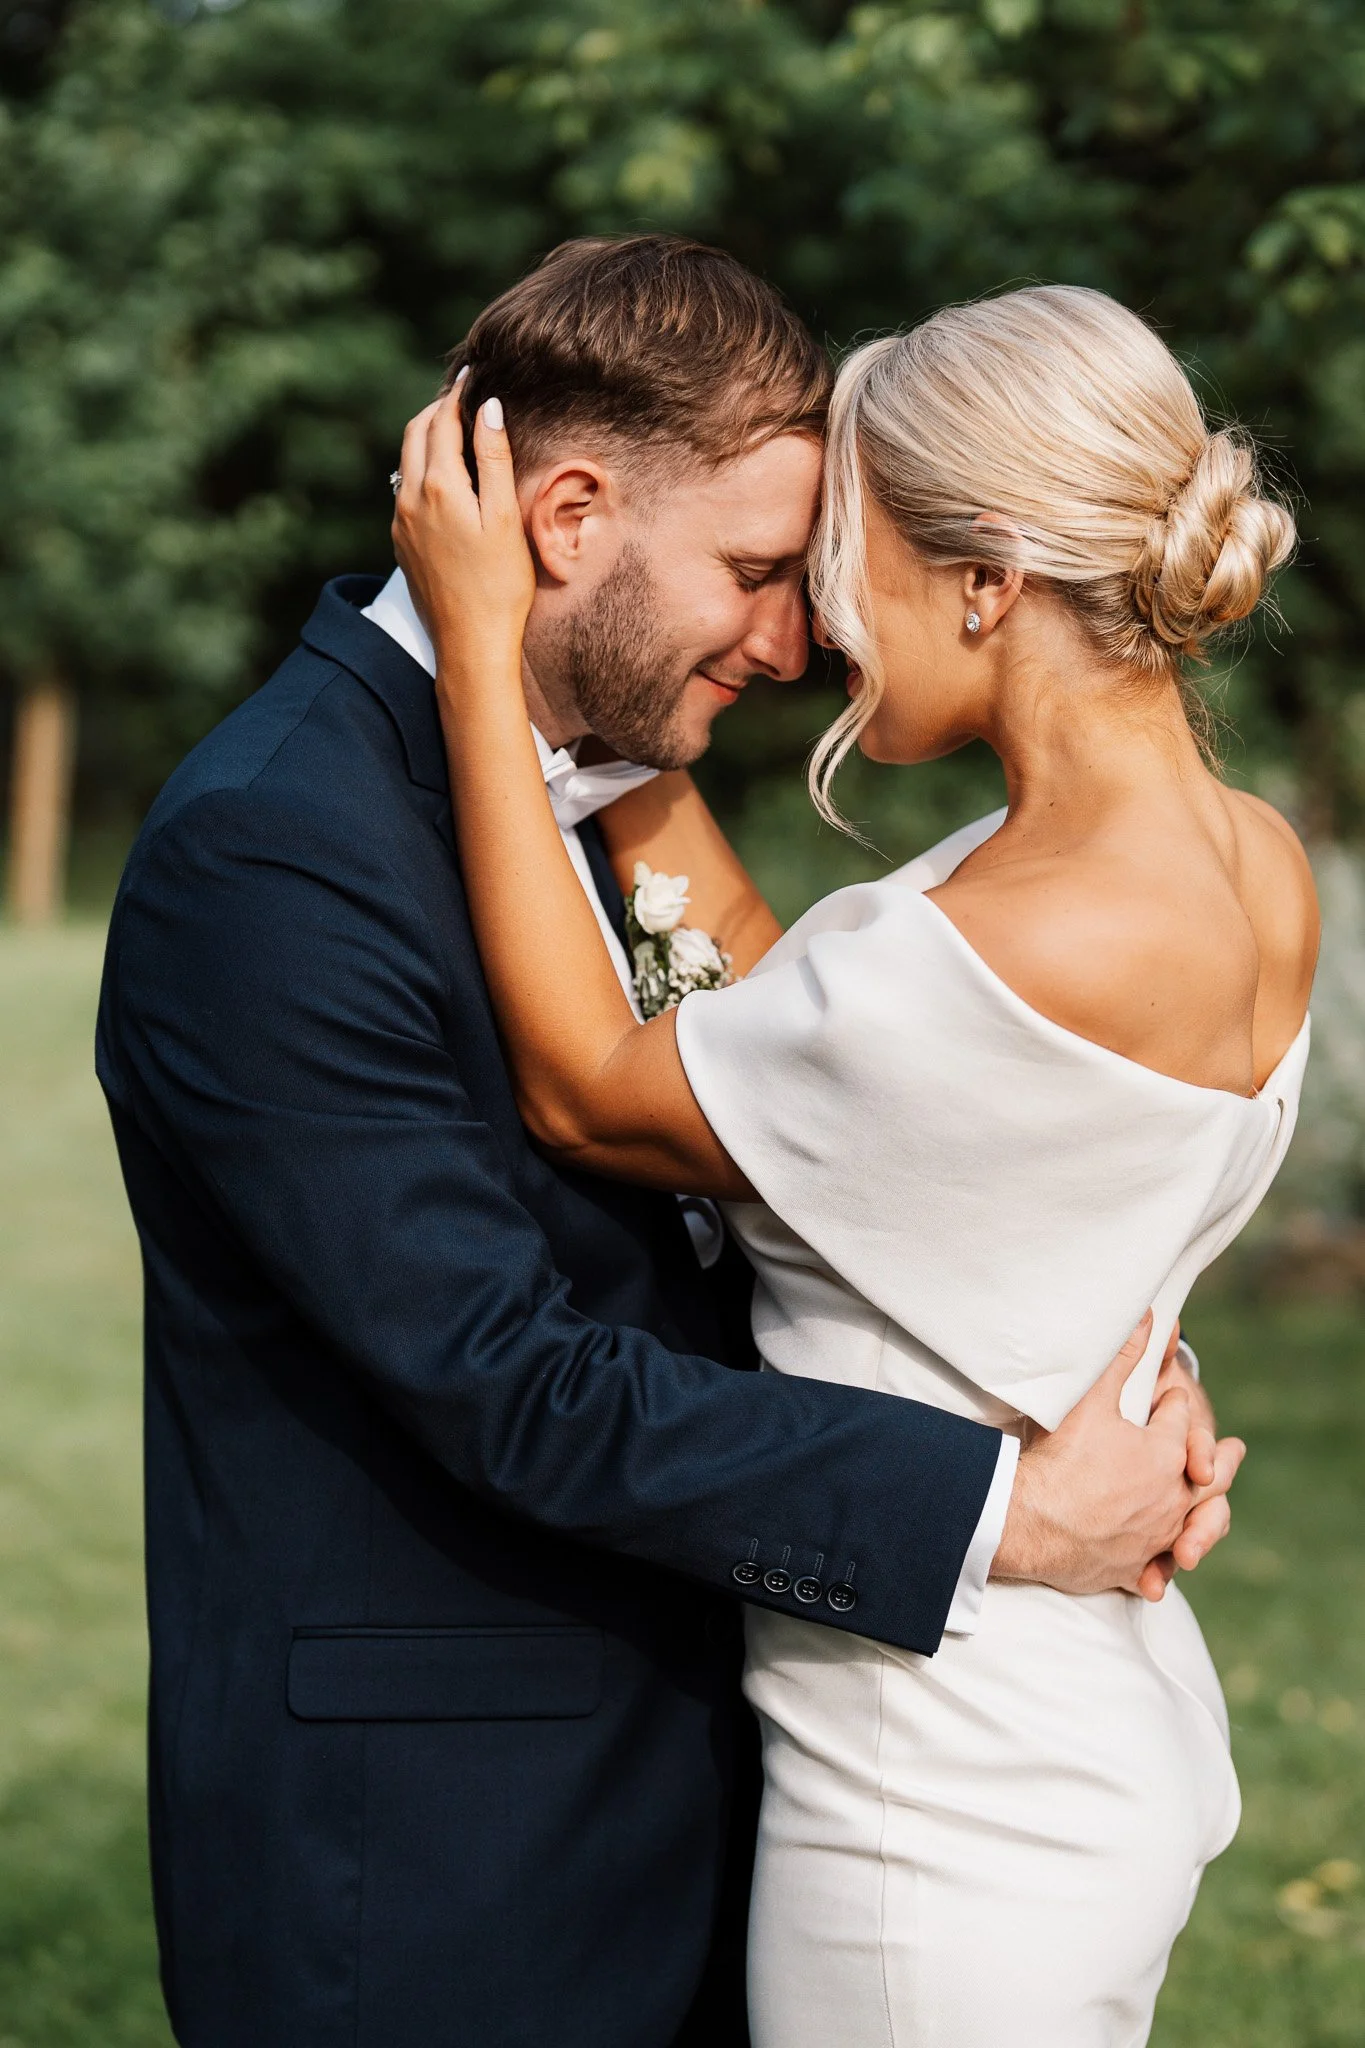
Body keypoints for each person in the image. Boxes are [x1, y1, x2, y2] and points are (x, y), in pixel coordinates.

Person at [97, 238, 1236, 2048]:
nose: (796, 644)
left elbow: (827, 1156)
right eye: (759, 574)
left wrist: (1069, 1345)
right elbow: (504, 1375)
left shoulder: (609, 786)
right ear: (565, 518)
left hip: (732, 1784)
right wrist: (1004, 1515)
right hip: (447, 1874)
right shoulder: (275, 850)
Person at [391, 276, 1316, 2046]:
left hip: (939, 1804)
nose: (814, 616)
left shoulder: (1030, 932)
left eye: (842, 552)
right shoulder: (1240, 861)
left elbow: (595, 1087)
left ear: (989, 580)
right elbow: (792, 1026)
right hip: (1082, 1726)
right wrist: (644, 734)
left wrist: (490, 656)